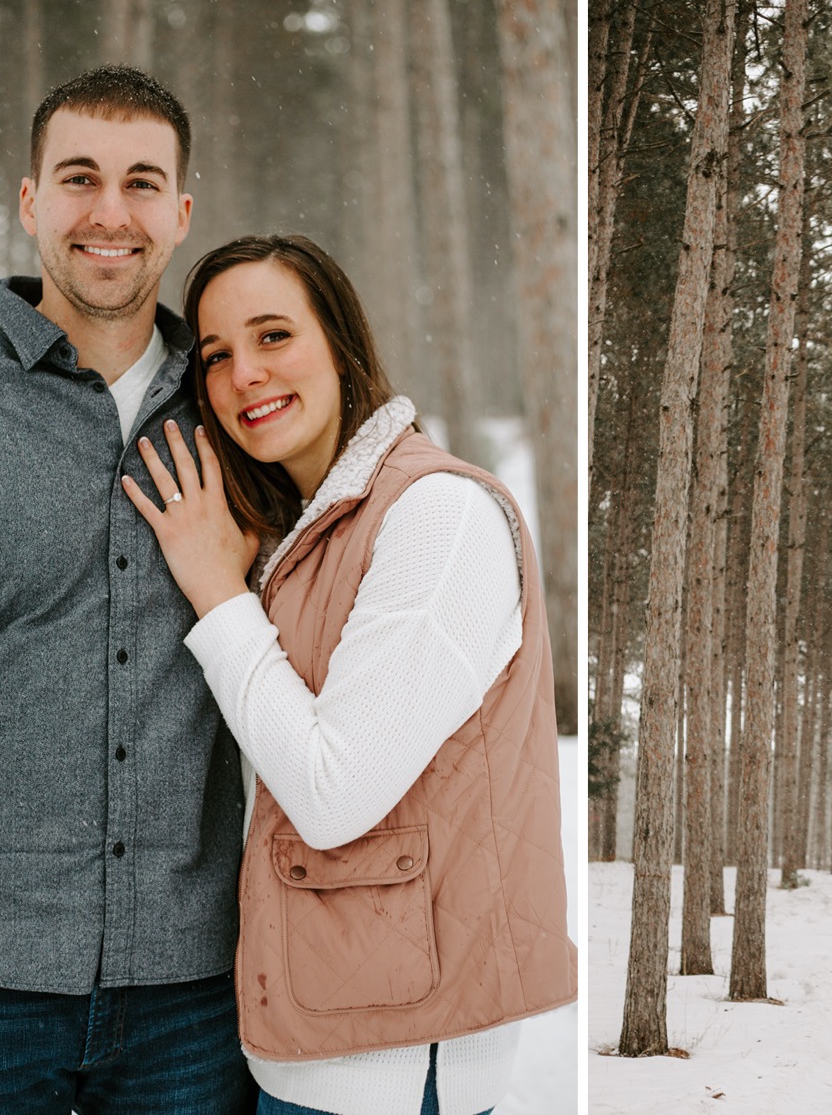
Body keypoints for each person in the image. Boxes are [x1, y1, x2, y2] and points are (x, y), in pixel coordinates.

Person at [0, 67, 256, 1112]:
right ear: (30, 202)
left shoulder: (244, 415)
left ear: (182, 211)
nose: (110, 213)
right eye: (79, 178)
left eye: (142, 183)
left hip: (195, 1002)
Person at [115, 233, 577, 1114]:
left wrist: (216, 594)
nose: (245, 372)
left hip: (391, 1063)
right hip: (307, 1033)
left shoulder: (438, 516)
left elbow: (332, 794)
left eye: (274, 335)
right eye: (216, 354)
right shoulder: (302, 534)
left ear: (340, 341)